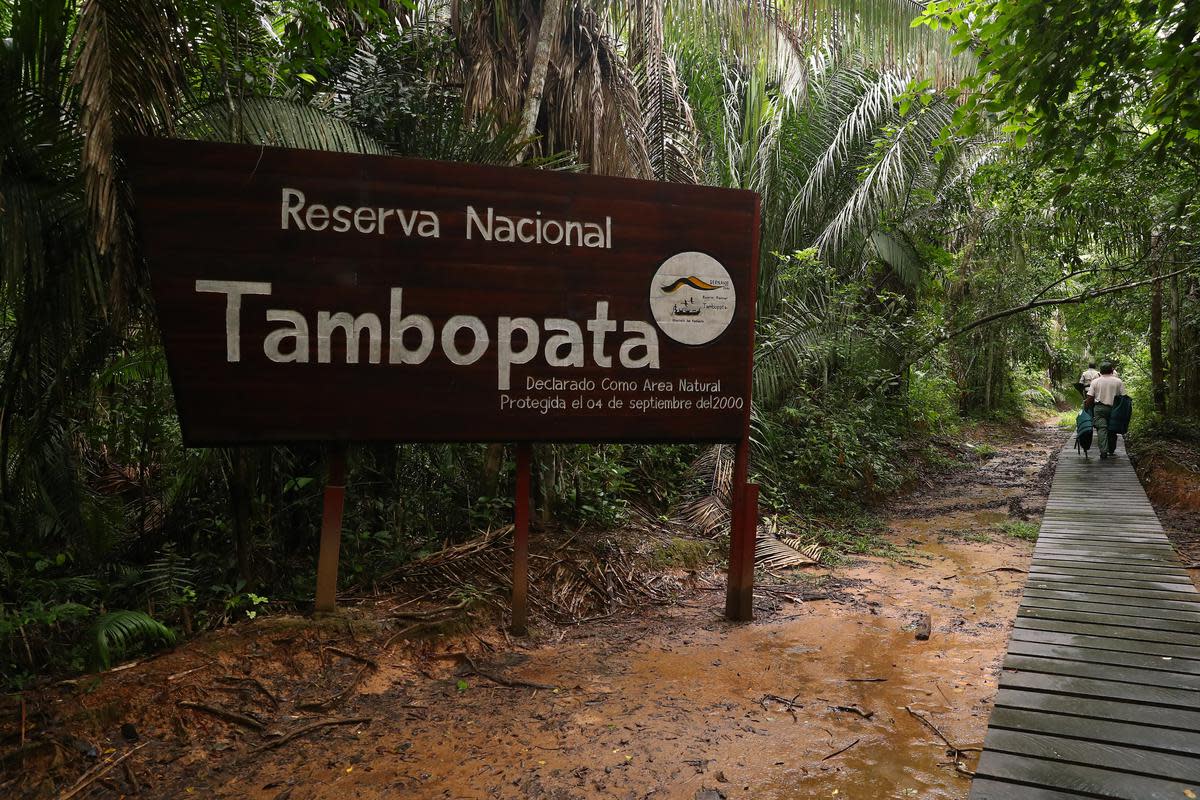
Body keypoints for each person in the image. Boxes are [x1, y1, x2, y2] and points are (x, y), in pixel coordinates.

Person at [1084, 362, 1127, 459]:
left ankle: (1103, 451)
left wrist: (1086, 408)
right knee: (1112, 429)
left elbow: (1090, 398)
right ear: (1112, 370)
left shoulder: (1095, 382)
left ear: (1100, 371)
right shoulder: (1118, 381)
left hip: (1099, 409)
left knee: (1102, 429)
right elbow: (1124, 397)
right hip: (1115, 409)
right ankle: (1111, 450)